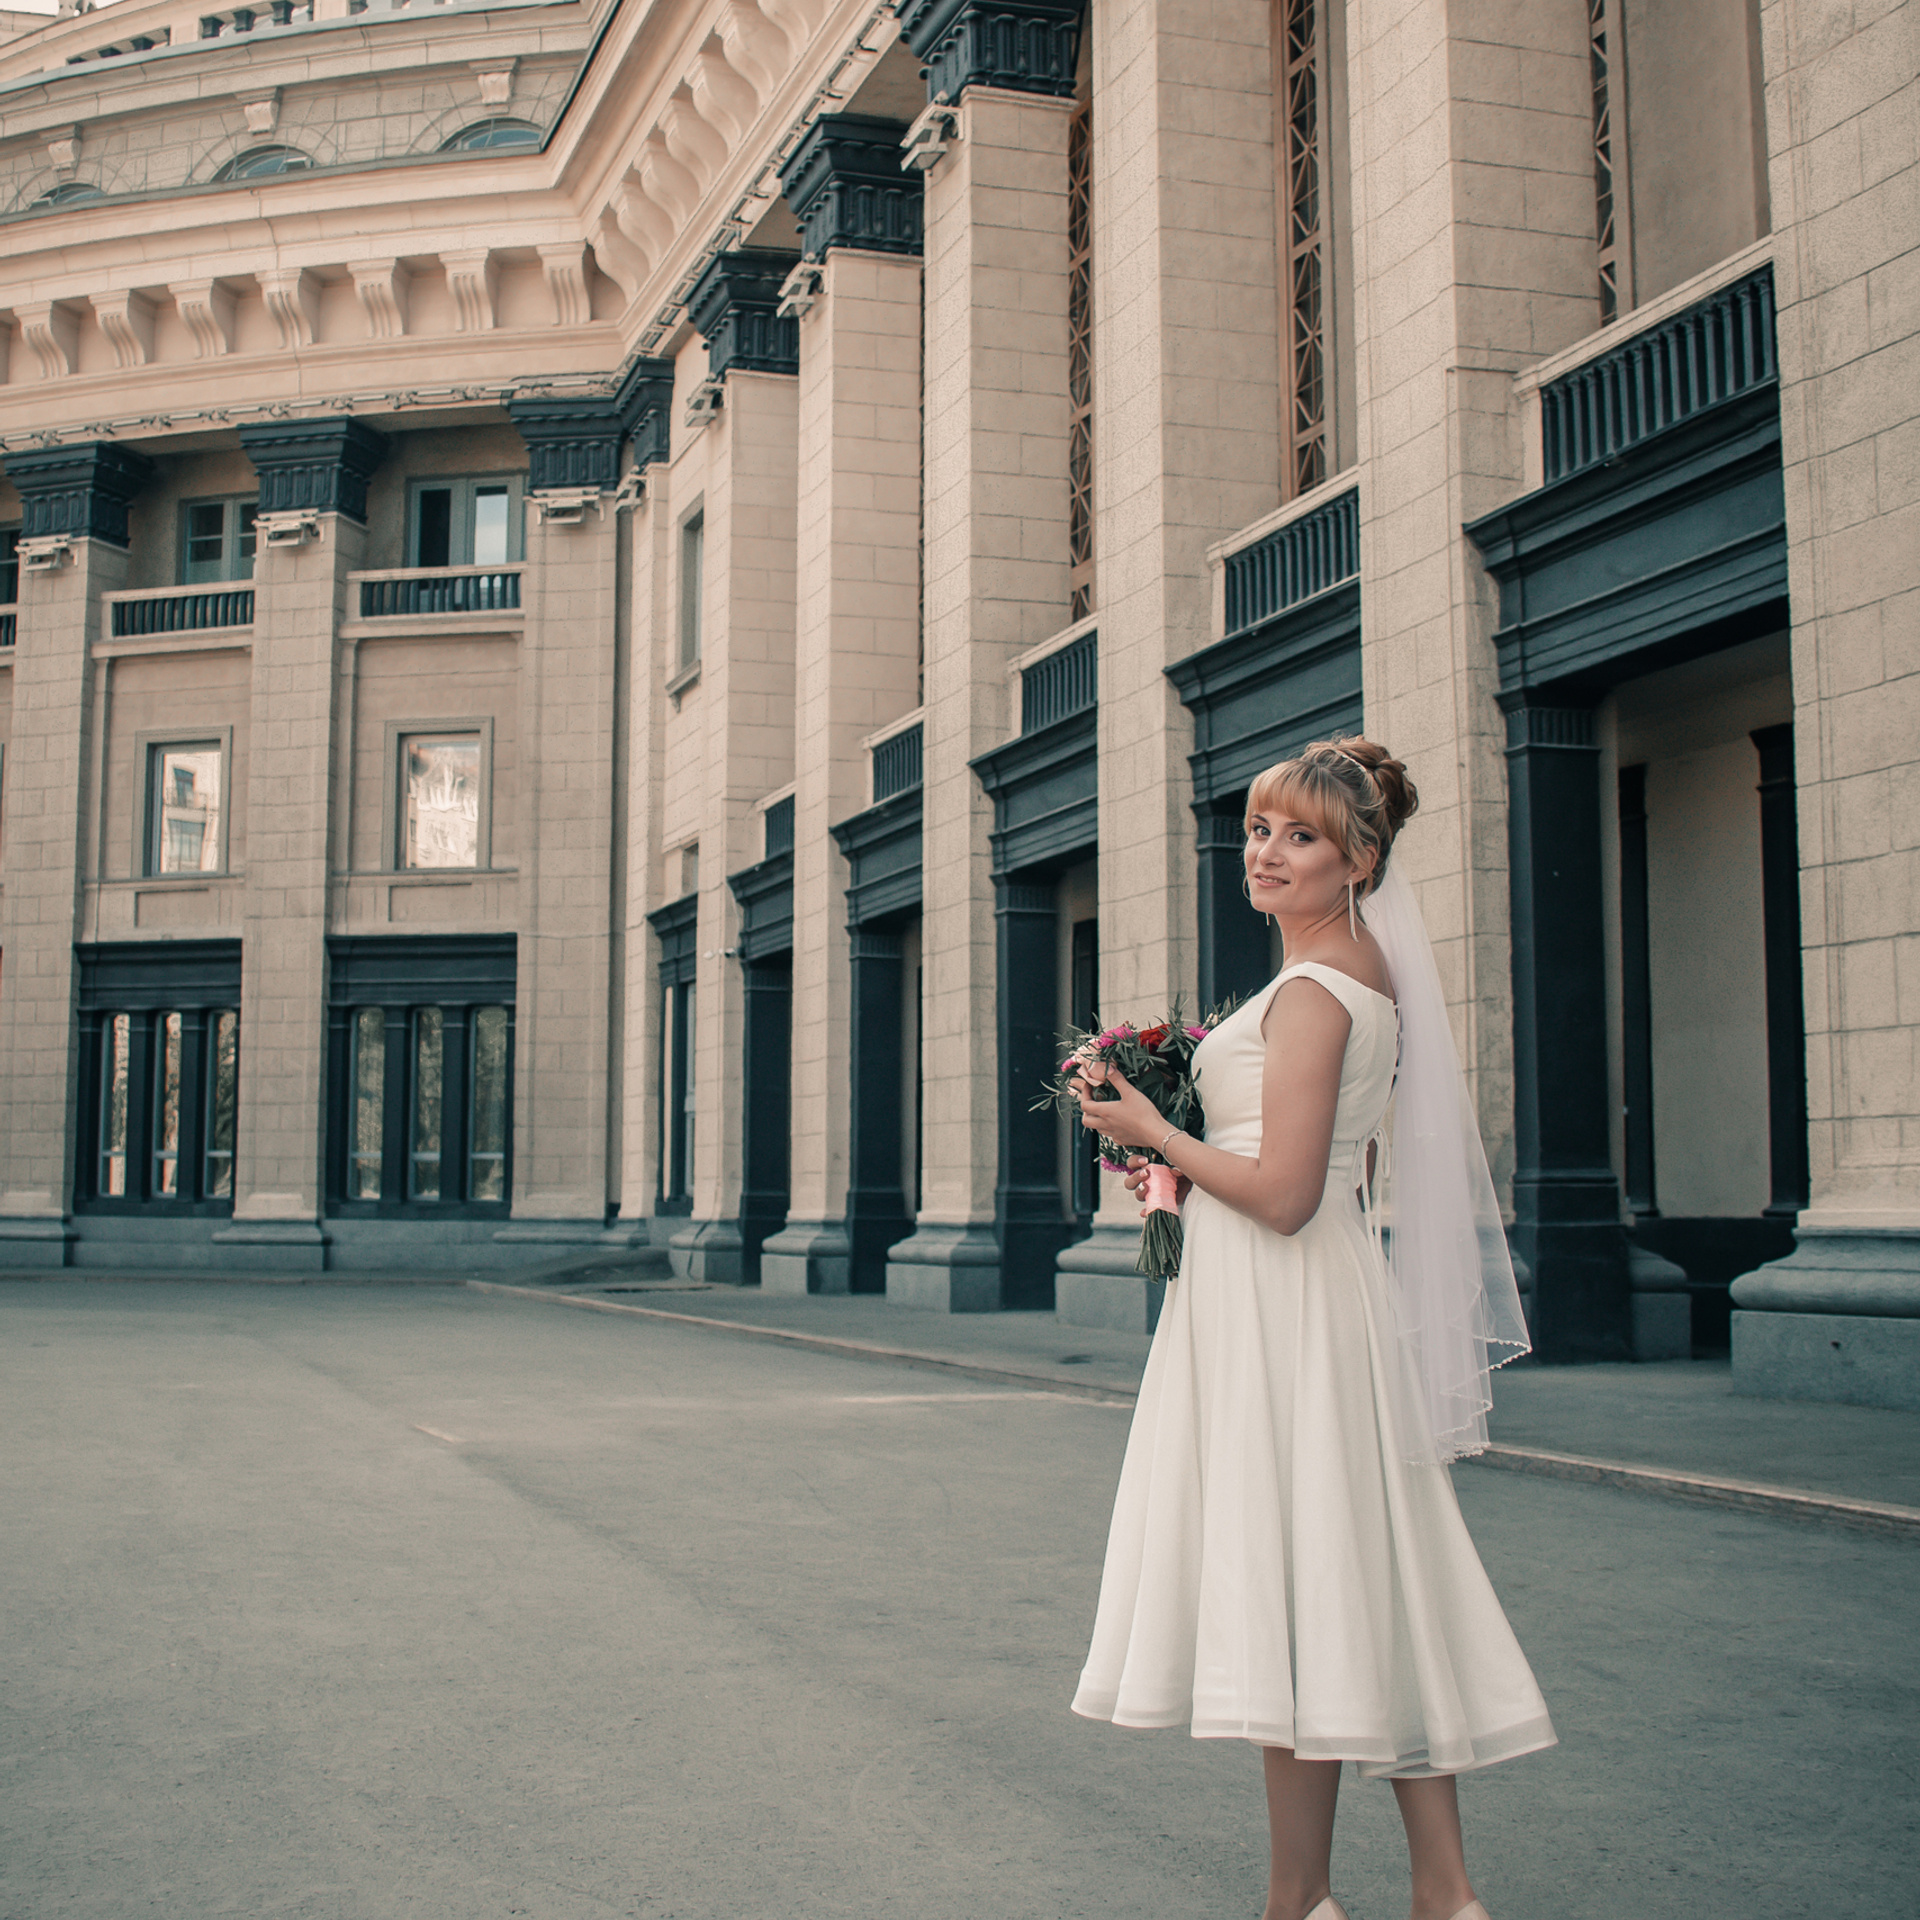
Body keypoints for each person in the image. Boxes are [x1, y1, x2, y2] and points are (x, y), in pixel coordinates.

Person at [1066, 738, 1553, 1920]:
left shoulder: (1317, 992)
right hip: (1298, 1295)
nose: (1265, 855)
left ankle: (1306, 1904)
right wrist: (1177, 1174)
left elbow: (1284, 1197)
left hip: (1281, 1308)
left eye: (1299, 837)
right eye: (1256, 831)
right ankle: (1435, 1893)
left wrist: (1155, 1131)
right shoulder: (1358, 976)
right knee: (1351, 1577)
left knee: (1305, 1585)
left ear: (1358, 861)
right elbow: (1313, 1174)